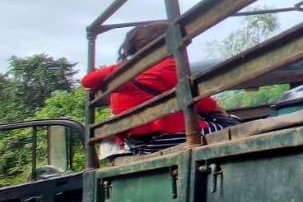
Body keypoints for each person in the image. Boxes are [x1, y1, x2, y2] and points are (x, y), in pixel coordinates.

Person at [82, 21, 235, 156]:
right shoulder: (169, 66)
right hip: (171, 136)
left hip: (139, 145)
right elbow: (201, 100)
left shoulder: (121, 71)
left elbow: (87, 81)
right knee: (233, 129)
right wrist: (221, 112)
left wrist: (99, 84)